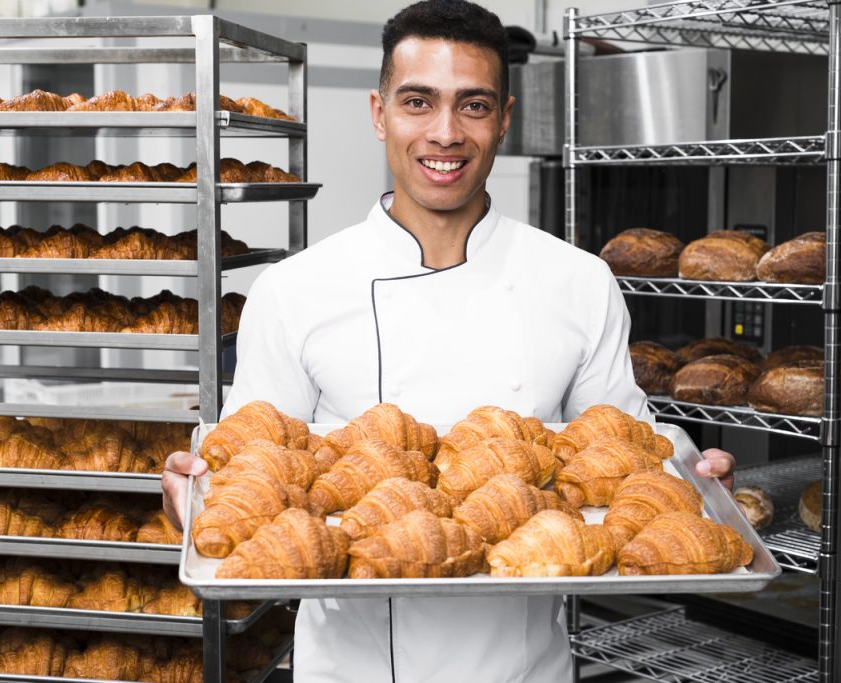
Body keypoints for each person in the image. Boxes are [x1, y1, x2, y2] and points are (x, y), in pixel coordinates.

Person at [162, 1, 736, 681]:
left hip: (523, 668)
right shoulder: (295, 291)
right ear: (379, 113)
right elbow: (249, 475)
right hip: (352, 669)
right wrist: (191, 500)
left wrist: (689, 482)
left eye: (473, 105)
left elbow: (620, 458)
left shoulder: (578, 282)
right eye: (417, 101)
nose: (445, 133)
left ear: (504, 119)